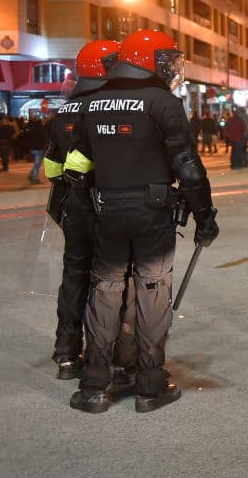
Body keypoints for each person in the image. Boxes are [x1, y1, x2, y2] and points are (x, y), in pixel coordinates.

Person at [64, 29, 219, 414]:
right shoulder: (163, 102)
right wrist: (205, 215)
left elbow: (77, 166)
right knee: (152, 293)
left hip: (108, 210)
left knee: (105, 292)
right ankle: (150, 385)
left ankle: (95, 386)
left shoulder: (93, 102)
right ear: (147, 62)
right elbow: (188, 167)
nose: (171, 68)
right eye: (166, 60)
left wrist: (91, 205)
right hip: (153, 213)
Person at [43, 41, 132, 380]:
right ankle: (110, 354)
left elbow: (52, 169)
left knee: (74, 278)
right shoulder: (107, 107)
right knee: (112, 281)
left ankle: (66, 353)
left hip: (74, 207)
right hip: (106, 204)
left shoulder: (65, 109)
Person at [21, 115, 49, 183]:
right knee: (37, 164)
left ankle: (31, 175)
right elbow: (45, 139)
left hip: (32, 149)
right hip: (39, 149)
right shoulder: (42, 130)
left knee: (36, 164)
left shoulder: (32, 129)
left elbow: (26, 136)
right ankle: (34, 178)